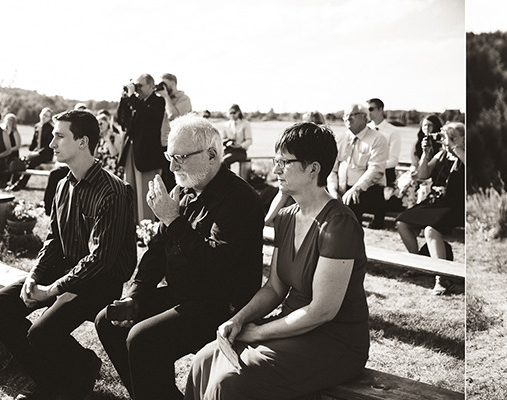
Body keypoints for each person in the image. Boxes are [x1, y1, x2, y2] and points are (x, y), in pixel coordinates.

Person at [185, 121, 368, 400]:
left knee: (228, 382)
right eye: (275, 160)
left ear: (313, 169)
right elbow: (275, 288)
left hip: (335, 341)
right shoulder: (286, 217)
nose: (275, 170)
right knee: (203, 360)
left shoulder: (338, 224)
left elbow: (323, 311)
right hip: (291, 326)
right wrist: (239, 319)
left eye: (284, 162)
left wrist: (259, 333)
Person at [95, 115, 263, 400]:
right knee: (108, 321)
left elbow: (217, 267)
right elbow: (158, 250)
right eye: (170, 156)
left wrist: (173, 219)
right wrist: (135, 296)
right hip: (185, 294)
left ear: (211, 155)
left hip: (222, 304)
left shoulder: (239, 199)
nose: (172, 166)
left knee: (142, 339)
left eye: (181, 158)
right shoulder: (184, 190)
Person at [0, 110, 137, 400]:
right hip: (66, 269)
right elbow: (53, 239)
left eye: (59, 136)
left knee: (41, 332)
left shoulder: (114, 191)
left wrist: (52, 290)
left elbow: (100, 260)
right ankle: (72, 370)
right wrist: (34, 277)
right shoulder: (62, 184)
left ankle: (59, 386)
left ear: (83, 142)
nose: (51, 143)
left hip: (101, 280)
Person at [396, 121, 466, 261]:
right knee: (402, 222)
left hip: (455, 205)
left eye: (453, 137)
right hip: (436, 202)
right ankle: (416, 261)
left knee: (431, 230)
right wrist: (425, 154)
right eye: (446, 137)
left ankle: (441, 275)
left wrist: (454, 147)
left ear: (464, 138)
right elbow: (423, 175)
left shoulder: (463, 155)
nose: (447, 141)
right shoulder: (441, 156)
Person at [117, 73, 167, 222]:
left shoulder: (158, 101)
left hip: (148, 156)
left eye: (140, 86)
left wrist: (132, 98)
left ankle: (148, 227)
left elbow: (149, 117)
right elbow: (122, 121)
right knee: (131, 191)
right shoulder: (135, 102)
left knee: (146, 193)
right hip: (132, 152)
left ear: (152, 86)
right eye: (135, 86)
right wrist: (124, 99)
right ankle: (133, 226)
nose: (137, 89)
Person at [330, 103, 389, 229]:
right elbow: (332, 169)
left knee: (347, 225)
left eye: (353, 115)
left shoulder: (378, 139)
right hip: (341, 190)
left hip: (366, 190)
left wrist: (355, 189)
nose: (348, 119)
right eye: (345, 116)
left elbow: (376, 169)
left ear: (365, 117)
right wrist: (333, 191)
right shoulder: (339, 140)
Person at [393, 115, 444, 210]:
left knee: (423, 188)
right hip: (418, 173)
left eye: (430, 125)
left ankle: (419, 210)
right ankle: (409, 209)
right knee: (409, 183)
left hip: (433, 176)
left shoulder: (441, 144)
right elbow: (414, 162)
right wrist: (413, 170)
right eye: (424, 125)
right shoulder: (417, 143)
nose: (427, 128)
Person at [7, 107, 56, 191]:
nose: (44, 117)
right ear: (40, 114)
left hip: (46, 154)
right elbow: (34, 141)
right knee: (20, 161)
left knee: (31, 163)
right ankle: (12, 182)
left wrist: (37, 153)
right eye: (43, 114)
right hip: (35, 153)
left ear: (50, 118)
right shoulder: (37, 126)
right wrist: (31, 149)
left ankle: (20, 184)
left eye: (47, 116)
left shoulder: (51, 129)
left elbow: (49, 146)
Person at [367, 98, 403, 198]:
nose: (368, 112)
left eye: (371, 109)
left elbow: (393, 160)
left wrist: (374, 167)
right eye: (366, 110)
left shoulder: (393, 131)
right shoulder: (365, 130)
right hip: (364, 174)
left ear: (380, 109)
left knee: (380, 209)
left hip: (385, 175)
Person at [220, 104, 253, 179]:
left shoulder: (245, 124)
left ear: (239, 112)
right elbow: (223, 139)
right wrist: (227, 142)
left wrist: (240, 145)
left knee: (225, 161)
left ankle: (228, 181)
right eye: (230, 113)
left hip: (240, 151)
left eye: (234, 112)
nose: (232, 115)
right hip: (228, 149)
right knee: (217, 161)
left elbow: (249, 140)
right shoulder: (226, 125)